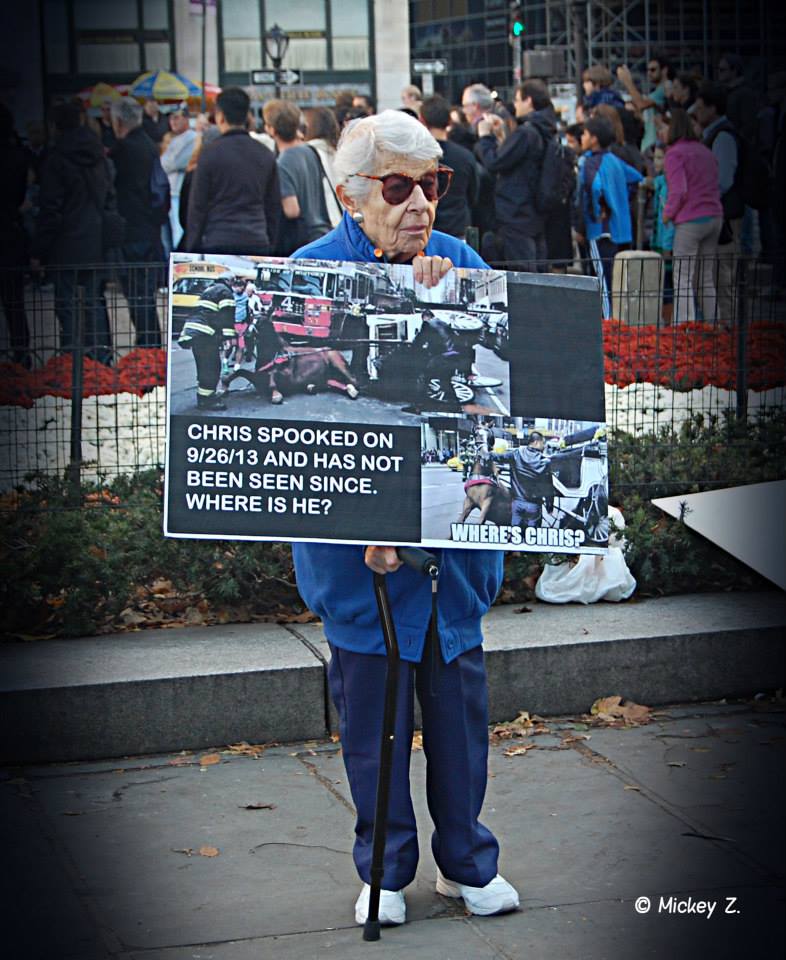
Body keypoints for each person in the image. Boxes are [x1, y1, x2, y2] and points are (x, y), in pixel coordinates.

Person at [289, 109, 519, 928]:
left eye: (434, 183)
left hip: (451, 549)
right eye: (399, 186)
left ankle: (466, 862)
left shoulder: (462, 262)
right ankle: (384, 869)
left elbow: (506, 388)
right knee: (373, 724)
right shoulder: (309, 271)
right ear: (353, 196)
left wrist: (453, 306)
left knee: (457, 715)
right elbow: (306, 427)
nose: (421, 201)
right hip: (358, 562)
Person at [31, 102, 112, 364]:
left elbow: (50, 207)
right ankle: (101, 358)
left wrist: (39, 250)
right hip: (95, 237)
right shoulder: (98, 153)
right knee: (94, 300)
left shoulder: (56, 158)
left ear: (55, 125)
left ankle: (73, 361)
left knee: (66, 303)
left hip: (65, 241)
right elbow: (110, 196)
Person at [185, 87, 279, 255]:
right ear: (247, 116)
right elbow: (272, 206)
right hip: (256, 239)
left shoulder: (209, 154)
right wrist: (270, 242)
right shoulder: (265, 154)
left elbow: (197, 207)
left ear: (220, 117)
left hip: (218, 239)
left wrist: (192, 247)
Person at [476, 79, 557, 270]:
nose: (515, 105)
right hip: (535, 211)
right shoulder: (546, 130)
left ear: (529, 101)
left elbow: (495, 162)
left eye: (518, 100)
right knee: (537, 272)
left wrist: (485, 137)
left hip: (515, 211)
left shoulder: (526, 133)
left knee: (522, 274)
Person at [576, 116, 644, 318]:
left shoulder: (590, 163)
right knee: (618, 277)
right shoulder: (614, 160)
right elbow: (637, 178)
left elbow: (592, 189)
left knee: (602, 278)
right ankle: (619, 318)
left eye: (586, 134)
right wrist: (622, 198)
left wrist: (594, 215)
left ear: (594, 138)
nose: (582, 137)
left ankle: (607, 322)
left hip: (600, 229)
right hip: (621, 229)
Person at [109, 97, 163, 348]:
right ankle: (151, 344)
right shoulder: (149, 145)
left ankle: (147, 345)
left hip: (129, 226)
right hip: (149, 225)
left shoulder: (121, 150)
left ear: (118, 121)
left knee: (135, 292)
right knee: (145, 292)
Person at [662, 109, 723, 324]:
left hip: (690, 220)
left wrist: (667, 214)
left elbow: (679, 190)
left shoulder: (674, 154)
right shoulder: (706, 151)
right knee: (705, 276)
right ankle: (713, 323)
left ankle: (684, 327)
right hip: (715, 217)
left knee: (683, 276)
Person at [693, 82, 741, 322]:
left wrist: (701, 198)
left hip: (725, 218)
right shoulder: (711, 135)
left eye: (700, 108)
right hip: (715, 214)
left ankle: (729, 328)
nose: (697, 113)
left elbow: (724, 180)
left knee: (723, 278)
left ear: (713, 109)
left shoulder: (722, 137)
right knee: (711, 276)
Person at [263, 99, 331, 255]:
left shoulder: (283, 162)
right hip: (321, 234)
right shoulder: (310, 151)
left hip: (302, 242)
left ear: (272, 130)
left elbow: (292, 210)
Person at [420, 95, 478, 239]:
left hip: (426, 228)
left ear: (422, 120)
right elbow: (473, 195)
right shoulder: (465, 156)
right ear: (450, 121)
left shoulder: (416, 156)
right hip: (457, 228)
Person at [176, 271, 236, 410]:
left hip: (195, 333)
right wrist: (228, 338)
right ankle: (206, 401)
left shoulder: (209, 289)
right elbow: (226, 315)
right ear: (230, 281)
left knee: (204, 367)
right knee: (211, 367)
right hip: (205, 334)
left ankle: (204, 397)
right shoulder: (225, 291)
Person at [0, 103, 31, 366]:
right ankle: (22, 354)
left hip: (8, 228)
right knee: (15, 302)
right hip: (12, 229)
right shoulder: (18, 155)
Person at [161, 105, 197, 249]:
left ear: (186, 118)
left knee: (177, 234)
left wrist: (166, 161)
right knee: (169, 236)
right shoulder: (175, 139)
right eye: (170, 118)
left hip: (180, 193)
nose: (172, 121)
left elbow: (174, 162)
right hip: (171, 192)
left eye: (176, 117)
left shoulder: (193, 137)